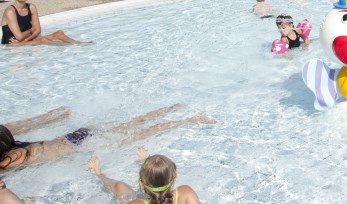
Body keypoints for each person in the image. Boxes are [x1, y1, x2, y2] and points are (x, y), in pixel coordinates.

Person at [0, 103, 215, 172]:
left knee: (140, 134)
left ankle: (188, 120)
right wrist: (50, 117)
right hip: (77, 135)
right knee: (133, 123)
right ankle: (169, 109)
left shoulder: (10, 161)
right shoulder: (20, 147)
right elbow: (24, 124)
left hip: (84, 143)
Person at [89, 149, 201, 204]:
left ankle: (99, 175)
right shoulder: (186, 193)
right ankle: (147, 165)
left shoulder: (135, 203)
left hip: (146, 198)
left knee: (119, 186)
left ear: (141, 183)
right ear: (174, 178)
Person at [2, 0, 93, 46]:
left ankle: (78, 43)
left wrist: (28, 37)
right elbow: (19, 36)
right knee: (44, 40)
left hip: (24, 40)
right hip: (12, 45)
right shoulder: (10, 11)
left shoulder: (31, 7)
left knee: (59, 33)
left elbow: (37, 30)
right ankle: (74, 47)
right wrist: (30, 30)